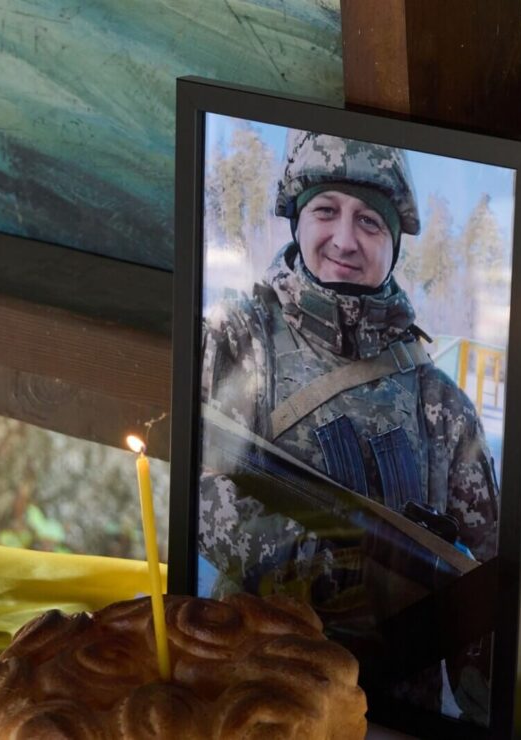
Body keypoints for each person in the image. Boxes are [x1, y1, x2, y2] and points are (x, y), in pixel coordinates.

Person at [198, 130, 500, 721]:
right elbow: (205, 493)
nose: (344, 239)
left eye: (369, 221)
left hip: (393, 713)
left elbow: (484, 589)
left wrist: (484, 712)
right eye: (325, 211)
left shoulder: (441, 404)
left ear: (394, 244)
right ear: (297, 221)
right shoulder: (237, 340)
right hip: (251, 699)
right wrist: (345, 577)